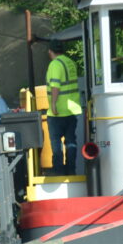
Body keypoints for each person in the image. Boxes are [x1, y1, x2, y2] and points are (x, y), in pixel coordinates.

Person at [45, 40, 82, 175]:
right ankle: (71, 170)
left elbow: (55, 86)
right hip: (72, 110)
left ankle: (59, 171)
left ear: (50, 51)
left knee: (56, 143)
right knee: (71, 141)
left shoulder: (55, 64)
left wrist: (53, 104)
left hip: (58, 111)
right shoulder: (70, 63)